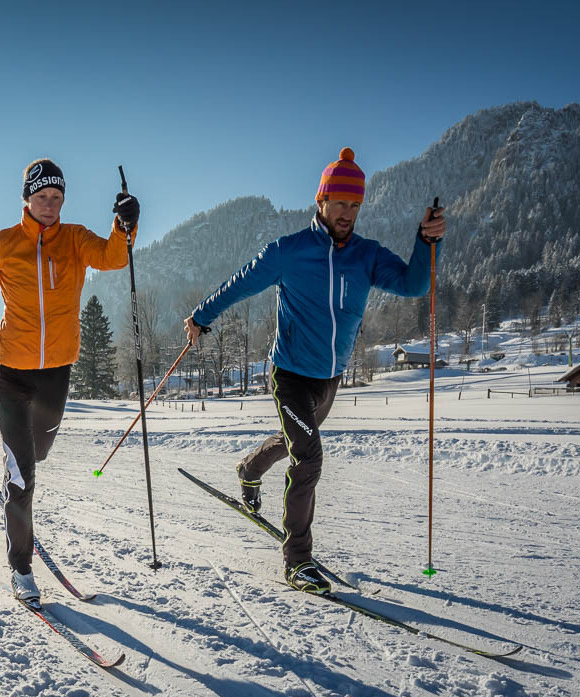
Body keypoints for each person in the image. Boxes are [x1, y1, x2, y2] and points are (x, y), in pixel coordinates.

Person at [183, 147, 445, 594]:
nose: (348, 214)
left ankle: (248, 468)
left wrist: (426, 242)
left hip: (330, 379)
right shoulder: (289, 252)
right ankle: (297, 560)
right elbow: (240, 283)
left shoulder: (367, 256)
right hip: (288, 374)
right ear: (321, 202)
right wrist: (201, 317)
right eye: (340, 203)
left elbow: (414, 284)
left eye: (355, 206)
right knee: (308, 455)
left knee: (295, 442)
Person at [0, 159, 139, 606]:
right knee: (24, 476)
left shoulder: (76, 240)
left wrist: (124, 226)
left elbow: (114, 258)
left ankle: (14, 475)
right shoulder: (3, 244)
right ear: (27, 199)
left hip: (57, 375)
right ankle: (22, 569)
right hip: (13, 377)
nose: (50, 205)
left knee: (35, 455)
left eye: (56, 198)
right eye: (41, 197)